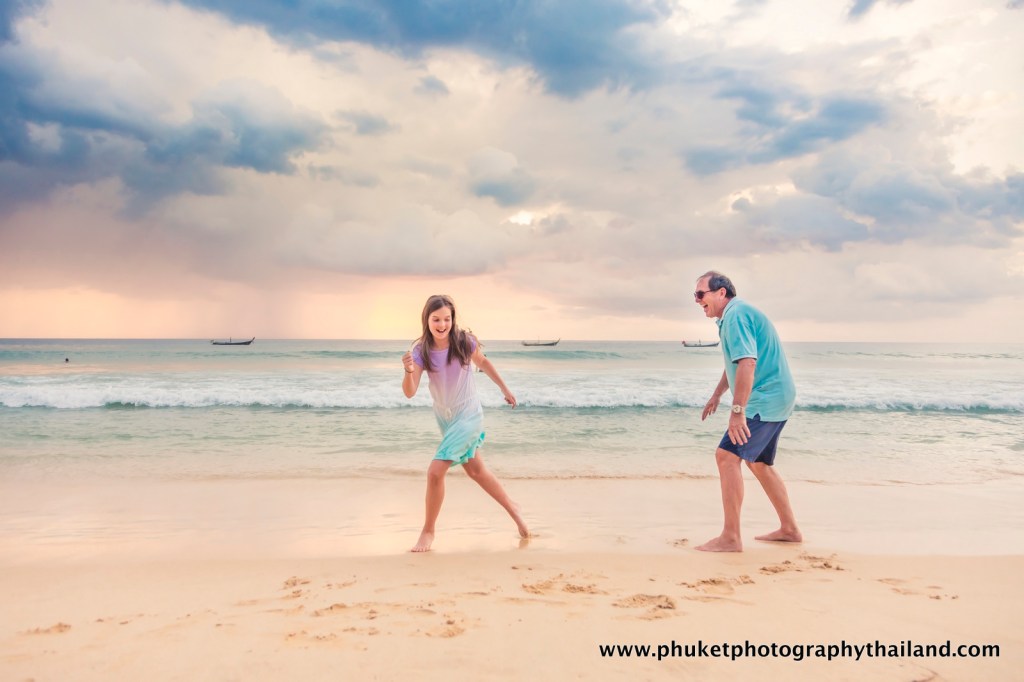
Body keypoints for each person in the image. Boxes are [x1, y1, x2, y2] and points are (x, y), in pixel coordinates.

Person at [402, 294, 529, 552]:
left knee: (435, 471)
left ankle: (428, 531)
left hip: (469, 414)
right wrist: (409, 371)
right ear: (426, 320)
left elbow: (484, 362)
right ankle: (514, 509)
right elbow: (410, 391)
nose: (441, 324)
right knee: (476, 471)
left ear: (453, 319)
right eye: (436, 319)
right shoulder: (421, 351)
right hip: (446, 418)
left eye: (446, 319)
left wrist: (504, 388)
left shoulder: (463, 342)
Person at [693, 271, 802, 552]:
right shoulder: (732, 317)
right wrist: (717, 394)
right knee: (758, 463)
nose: (697, 301)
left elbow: (747, 364)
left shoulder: (736, 316)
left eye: (701, 294)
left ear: (721, 293)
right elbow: (736, 362)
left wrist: (738, 411)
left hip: (765, 399)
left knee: (726, 456)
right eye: (695, 296)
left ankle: (730, 538)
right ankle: (789, 529)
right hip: (778, 396)